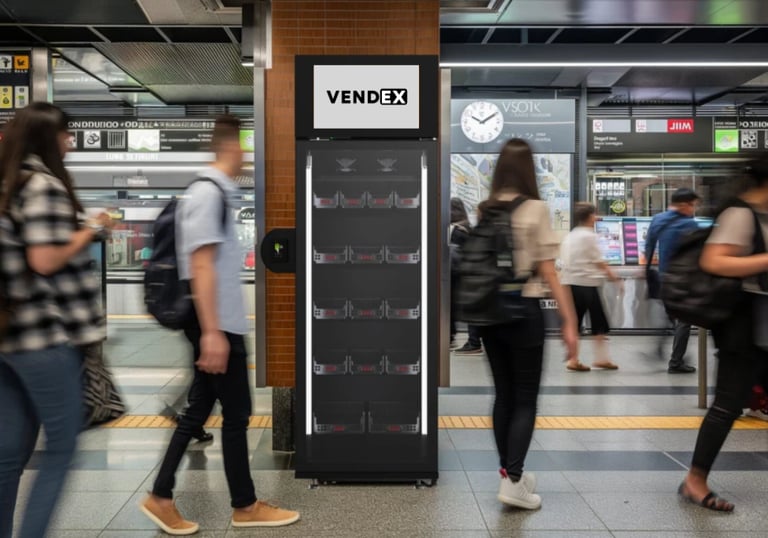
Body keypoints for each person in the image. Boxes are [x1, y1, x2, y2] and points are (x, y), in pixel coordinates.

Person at [140, 116, 299, 533]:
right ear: (230, 147)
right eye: (243, 146)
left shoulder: (212, 192)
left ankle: (161, 495)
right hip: (217, 325)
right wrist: (212, 333)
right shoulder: (208, 193)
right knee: (237, 413)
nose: (245, 155)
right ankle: (244, 506)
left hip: (218, 324)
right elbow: (201, 265)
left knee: (198, 411)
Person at [0, 103, 112, 538]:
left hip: (9, 338)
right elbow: (44, 260)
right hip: (44, 338)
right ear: (48, 137)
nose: (71, 144)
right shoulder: (42, 185)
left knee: (9, 455)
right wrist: (91, 230)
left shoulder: (8, 184)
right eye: (67, 135)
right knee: (62, 448)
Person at [477, 139, 578, 510]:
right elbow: (549, 272)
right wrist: (569, 322)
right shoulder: (536, 208)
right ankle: (514, 480)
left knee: (503, 396)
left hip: (489, 314)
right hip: (524, 312)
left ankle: (509, 473)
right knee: (525, 399)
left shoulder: (485, 207)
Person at [679, 157, 768, 512]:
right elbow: (714, 261)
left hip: (760, 320)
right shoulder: (741, 214)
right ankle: (694, 480)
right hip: (744, 322)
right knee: (729, 403)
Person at [559, 203, 621, 372]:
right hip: (586, 284)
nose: (597, 217)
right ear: (589, 217)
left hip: (573, 283)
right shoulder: (588, 236)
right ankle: (580, 360)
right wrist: (615, 278)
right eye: (595, 214)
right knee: (595, 322)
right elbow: (599, 261)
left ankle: (596, 359)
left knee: (585, 321)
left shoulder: (571, 235)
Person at [645, 188, 700, 373]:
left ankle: (660, 349)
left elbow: (649, 246)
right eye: (693, 205)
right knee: (684, 321)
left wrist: (646, 271)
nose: (693, 209)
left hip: (663, 277)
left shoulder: (658, 219)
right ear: (684, 205)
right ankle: (676, 362)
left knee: (670, 316)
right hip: (682, 279)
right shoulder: (689, 224)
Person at [449, 197, 482, 354]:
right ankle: (473, 340)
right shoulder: (468, 227)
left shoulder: (455, 231)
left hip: (458, 274)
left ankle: (472, 341)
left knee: (452, 305)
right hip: (471, 274)